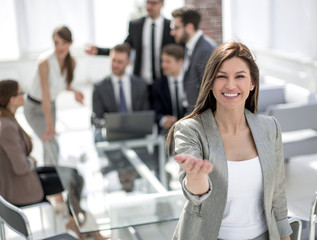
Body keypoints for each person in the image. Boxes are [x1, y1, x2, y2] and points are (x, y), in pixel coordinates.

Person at [167, 42, 292, 239]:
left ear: (252, 83)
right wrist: (197, 176)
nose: (230, 85)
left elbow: (277, 195)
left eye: (240, 76)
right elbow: (195, 194)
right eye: (221, 77)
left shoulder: (270, 127)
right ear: (210, 83)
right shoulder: (190, 129)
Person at [85, 0, 175, 106]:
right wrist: (99, 51)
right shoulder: (136, 25)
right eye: (147, 3)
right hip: (141, 83)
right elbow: (124, 49)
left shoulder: (171, 27)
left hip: (164, 82)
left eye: (153, 3)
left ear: (162, 3)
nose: (149, 7)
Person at [24, 25, 84, 166]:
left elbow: (62, 84)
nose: (60, 47)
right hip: (34, 107)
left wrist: (74, 90)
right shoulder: (44, 62)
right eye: (56, 43)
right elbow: (45, 95)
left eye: (64, 43)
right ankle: (54, 179)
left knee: (50, 144)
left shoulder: (72, 62)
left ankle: (50, 176)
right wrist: (50, 127)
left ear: (70, 43)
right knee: (50, 141)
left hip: (51, 106)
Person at [0, 80, 64, 206]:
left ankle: (68, 215)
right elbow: (20, 167)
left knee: (67, 173)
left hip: (23, 178)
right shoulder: (7, 127)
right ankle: (72, 218)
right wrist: (31, 161)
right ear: (12, 100)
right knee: (72, 179)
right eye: (21, 93)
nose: (24, 95)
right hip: (19, 188)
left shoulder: (7, 120)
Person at [171, 5, 217, 111]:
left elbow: (209, 92)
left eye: (175, 28)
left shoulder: (205, 49)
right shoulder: (191, 46)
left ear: (190, 27)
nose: (172, 32)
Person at [92, 43, 150, 126]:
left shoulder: (141, 85)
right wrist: (111, 124)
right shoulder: (99, 88)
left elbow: (146, 114)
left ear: (128, 63)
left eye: (119, 62)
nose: (115, 65)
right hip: (112, 132)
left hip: (136, 130)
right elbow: (96, 118)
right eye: (113, 60)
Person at [152, 43, 187, 135]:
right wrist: (163, 119)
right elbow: (155, 111)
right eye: (162, 61)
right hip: (167, 134)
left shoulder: (191, 82)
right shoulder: (158, 85)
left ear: (180, 62)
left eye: (168, 62)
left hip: (189, 131)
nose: (163, 65)